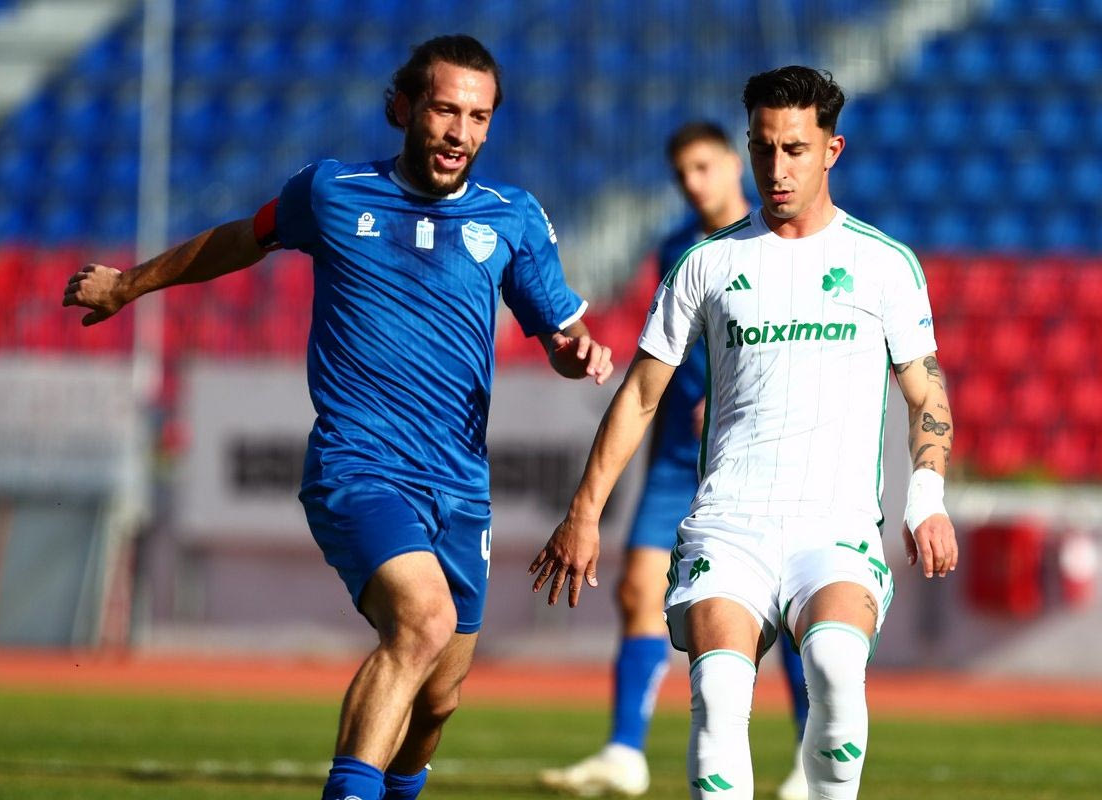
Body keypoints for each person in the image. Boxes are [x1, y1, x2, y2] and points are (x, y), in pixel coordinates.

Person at [63, 35, 614, 800]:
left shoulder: (512, 216)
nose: (460, 132)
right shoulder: (331, 192)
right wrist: (128, 286)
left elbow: (560, 333)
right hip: (360, 467)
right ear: (403, 108)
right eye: (444, 110)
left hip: (460, 487)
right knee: (421, 622)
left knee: (440, 698)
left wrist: (577, 351)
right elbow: (238, 239)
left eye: (478, 117)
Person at [530, 66, 957, 800]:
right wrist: (585, 511)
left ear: (832, 149)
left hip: (837, 526)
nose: (776, 167)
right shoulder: (706, 262)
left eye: (795, 149)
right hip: (729, 525)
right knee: (721, 692)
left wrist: (927, 497)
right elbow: (640, 393)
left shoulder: (884, 265)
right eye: (763, 148)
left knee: (833, 670)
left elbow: (926, 392)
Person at [538, 121, 810, 800]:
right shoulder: (675, 249)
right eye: (682, 173)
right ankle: (625, 752)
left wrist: (739, 393)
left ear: (734, 164)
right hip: (677, 457)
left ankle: (811, 760)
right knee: (638, 587)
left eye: (703, 167)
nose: (693, 183)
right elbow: (667, 348)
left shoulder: (784, 240)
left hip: (757, 453)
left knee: (791, 605)